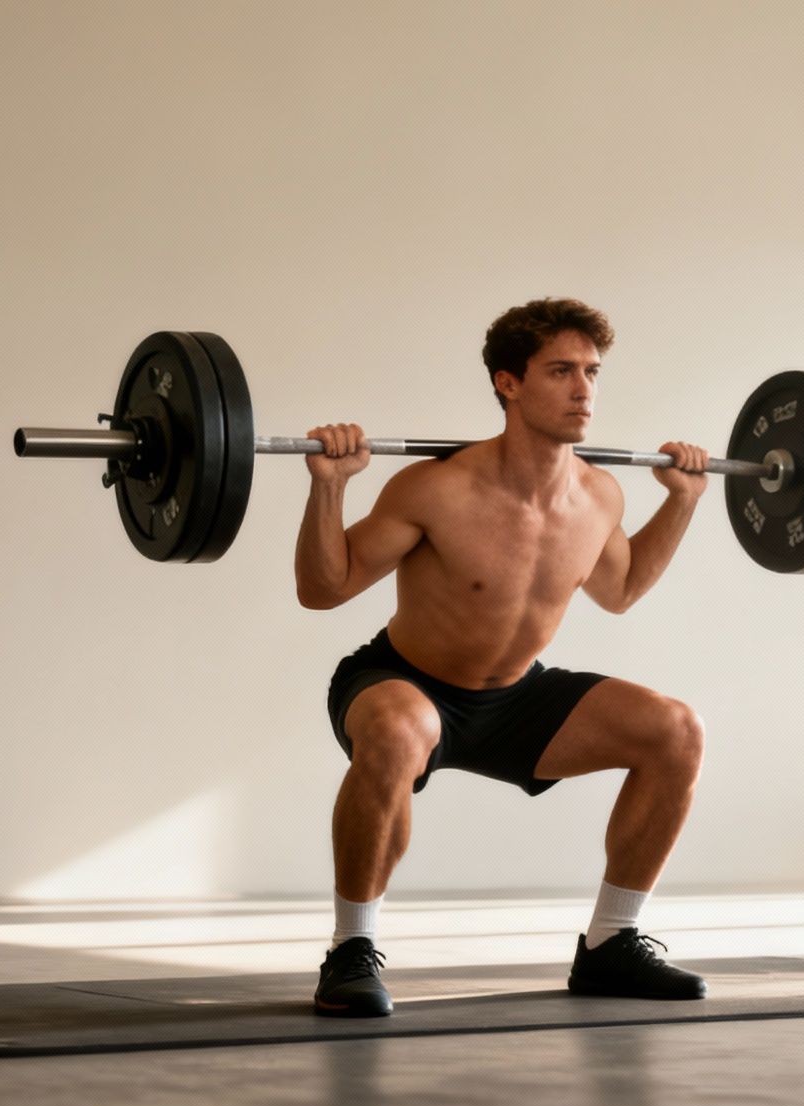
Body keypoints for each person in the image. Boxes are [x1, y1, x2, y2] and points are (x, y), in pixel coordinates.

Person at [297, 298, 712, 1018]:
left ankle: (611, 942)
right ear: (508, 383)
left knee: (675, 730)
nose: (583, 390)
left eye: (591, 372)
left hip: (516, 698)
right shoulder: (436, 487)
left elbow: (619, 591)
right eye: (561, 371)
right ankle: (351, 949)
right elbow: (322, 590)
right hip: (404, 683)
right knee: (398, 730)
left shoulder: (599, 495)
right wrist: (329, 486)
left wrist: (682, 501)